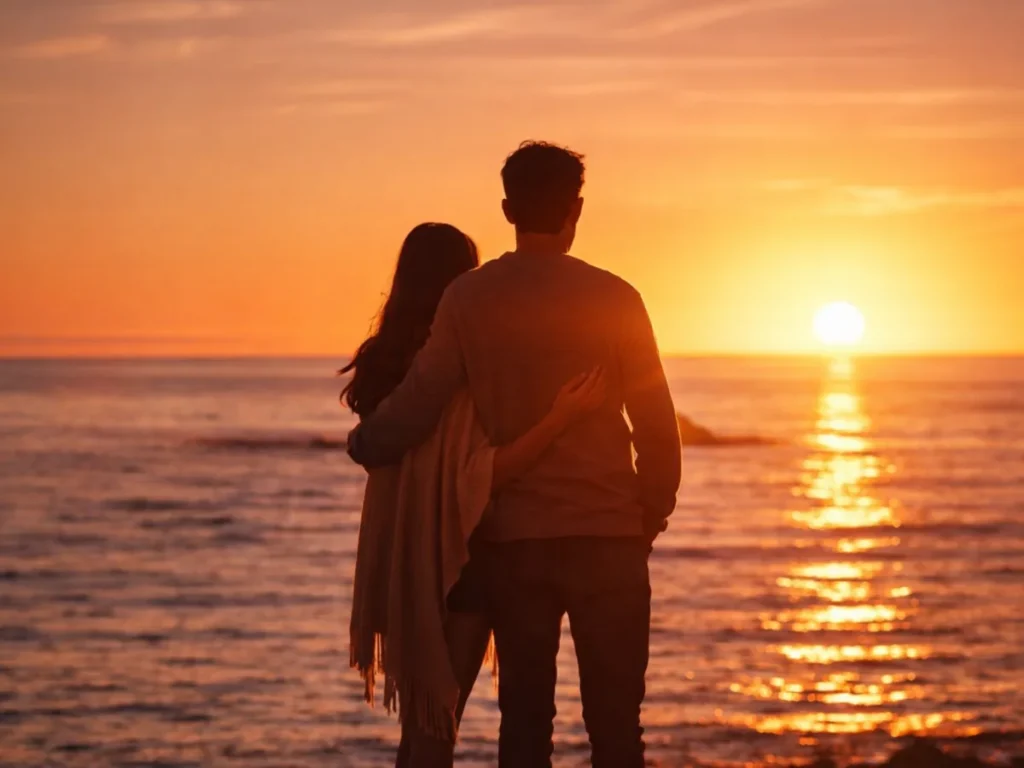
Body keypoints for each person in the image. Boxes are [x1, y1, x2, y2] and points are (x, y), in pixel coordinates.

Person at [347, 142, 682, 767]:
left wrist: (364, 442)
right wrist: (645, 520)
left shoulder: (469, 298)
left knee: (527, 730)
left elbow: (419, 403)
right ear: (576, 208)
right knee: (616, 731)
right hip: (608, 540)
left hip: (516, 549)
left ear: (507, 209)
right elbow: (658, 428)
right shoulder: (617, 298)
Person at [344, 222, 607, 767]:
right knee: (436, 724)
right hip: (460, 560)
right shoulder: (461, 369)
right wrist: (560, 419)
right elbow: (481, 474)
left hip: (404, 563)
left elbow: (381, 447)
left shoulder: (381, 360)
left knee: (420, 726)